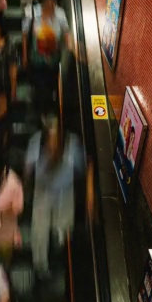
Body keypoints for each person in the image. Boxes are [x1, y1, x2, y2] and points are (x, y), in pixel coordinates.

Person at [24, 115, 90, 284]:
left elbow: (82, 169)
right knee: (39, 230)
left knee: (63, 227)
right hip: (42, 190)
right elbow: (28, 169)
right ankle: (40, 266)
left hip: (65, 192)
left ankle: (60, 252)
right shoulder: (36, 142)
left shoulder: (73, 143)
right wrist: (27, 189)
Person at [22, 0, 74, 118]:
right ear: (42, 0)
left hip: (53, 60)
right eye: (48, 0)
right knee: (40, 86)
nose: (51, 3)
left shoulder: (60, 14)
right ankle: (40, 112)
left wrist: (73, 48)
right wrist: (24, 57)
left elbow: (67, 34)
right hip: (36, 59)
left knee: (50, 86)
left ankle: (45, 111)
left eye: (53, 0)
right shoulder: (31, 12)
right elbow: (24, 36)